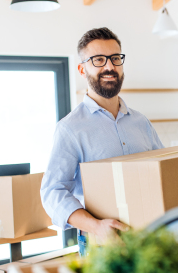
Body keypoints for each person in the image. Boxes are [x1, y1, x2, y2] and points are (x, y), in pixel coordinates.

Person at [41, 27, 164, 253]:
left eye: (115, 58)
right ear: (82, 69)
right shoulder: (70, 128)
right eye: (98, 60)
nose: (110, 67)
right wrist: (95, 226)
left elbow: (163, 172)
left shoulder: (141, 122)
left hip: (151, 238)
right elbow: (52, 192)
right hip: (103, 246)